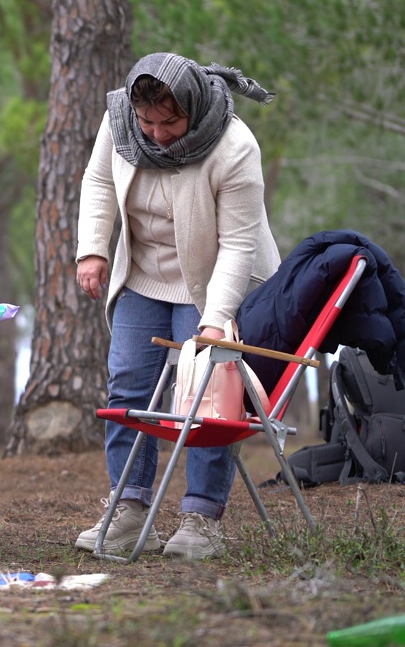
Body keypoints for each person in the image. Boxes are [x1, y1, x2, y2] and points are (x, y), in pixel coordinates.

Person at [73, 53, 281, 559]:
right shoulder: (119, 119)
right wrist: (95, 249)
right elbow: (99, 182)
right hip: (143, 276)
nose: (158, 134)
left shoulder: (234, 147)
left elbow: (239, 244)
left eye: (170, 122)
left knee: (208, 396)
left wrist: (215, 320)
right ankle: (129, 506)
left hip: (214, 279)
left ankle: (201, 516)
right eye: (148, 122)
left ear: (192, 107)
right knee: (127, 386)